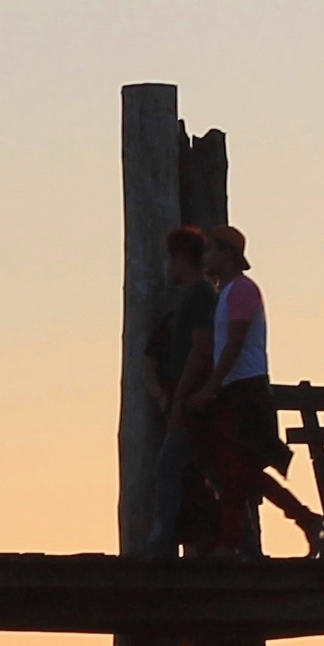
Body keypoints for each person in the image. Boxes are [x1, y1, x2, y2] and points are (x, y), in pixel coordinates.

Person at [181, 226, 324, 555]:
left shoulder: (243, 290)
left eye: (210, 250)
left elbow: (235, 342)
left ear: (227, 255)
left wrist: (210, 387)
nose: (204, 257)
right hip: (233, 390)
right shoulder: (226, 293)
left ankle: (229, 546)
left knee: (235, 473)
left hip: (246, 390)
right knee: (239, 471)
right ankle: (304, 519)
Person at [142, 227, 220, 555]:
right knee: (215, 471)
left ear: (182, 259)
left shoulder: (201, 296)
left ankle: (160, 544)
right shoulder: (191, 300)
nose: (169, 267)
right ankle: (239, 543)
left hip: (192, 399)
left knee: (171, 468)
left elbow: (201, 350)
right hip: (189, 396)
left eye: (172, 259)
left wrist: (181, 398)